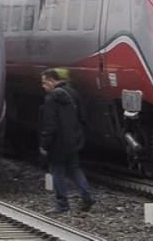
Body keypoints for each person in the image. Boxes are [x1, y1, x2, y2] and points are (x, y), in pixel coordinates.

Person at [39, 68, 94, 214]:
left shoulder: (51, 99)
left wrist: (44, 145)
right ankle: (86, 196)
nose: (43, 87)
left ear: (51, 81)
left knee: (57, 172)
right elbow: (83, 117)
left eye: (44, 83)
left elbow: (50, 126)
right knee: (75, 169)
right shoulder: (73, 93)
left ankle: (62, 204)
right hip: (73, 141)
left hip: (57, 143)